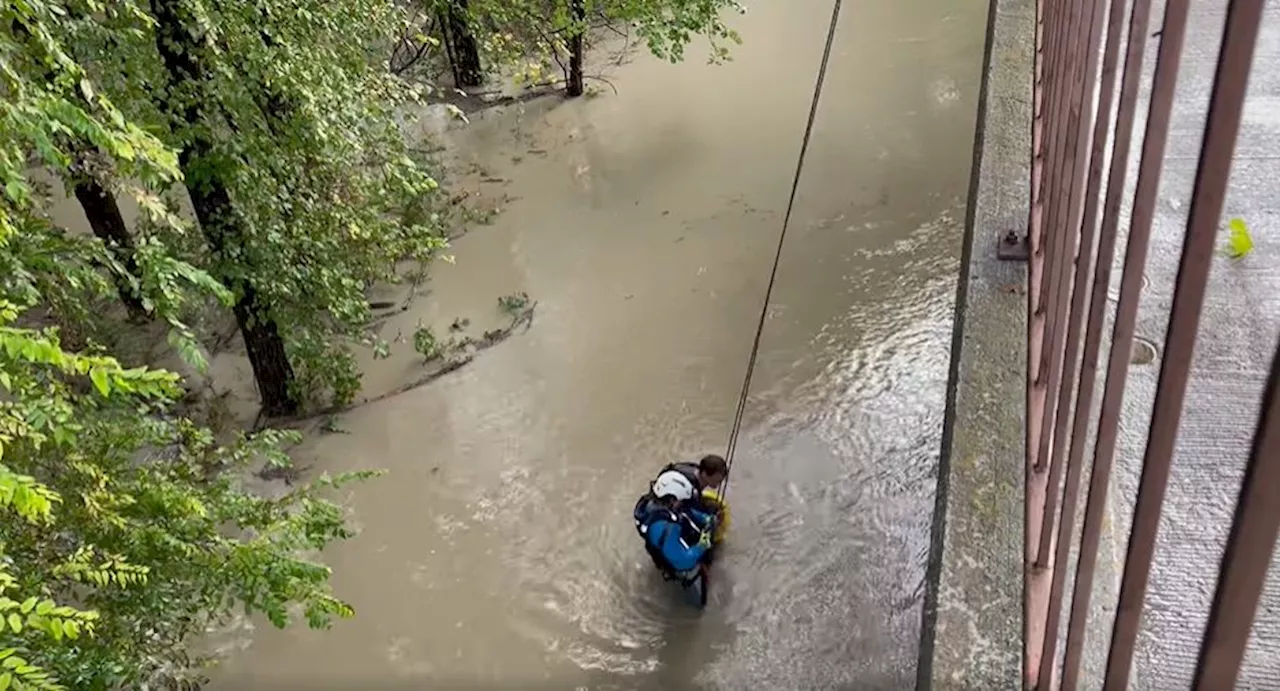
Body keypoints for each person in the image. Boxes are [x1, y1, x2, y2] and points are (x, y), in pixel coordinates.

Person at [633, 470, 716, 578]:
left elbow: (686, 510)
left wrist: (706, 518)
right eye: (681, 500)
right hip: (677, 561)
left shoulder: (656, 503)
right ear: (672, 500)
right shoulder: (666, 528)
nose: (682, 503)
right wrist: (701, 546)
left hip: (664, 544)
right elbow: (683, 562)